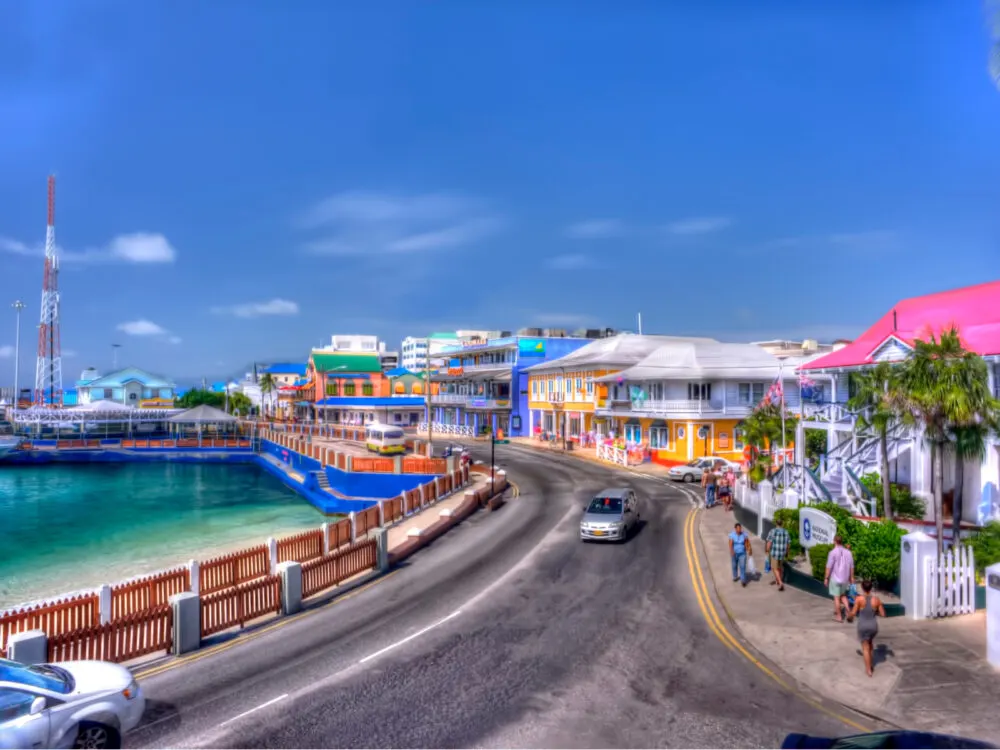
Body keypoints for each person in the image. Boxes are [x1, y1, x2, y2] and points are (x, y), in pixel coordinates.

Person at [850, 580, 886, 677]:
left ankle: (868, 669)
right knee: (870, 644)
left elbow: (853, 613)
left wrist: (850, 617)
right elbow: (883, 614)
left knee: (865, 648)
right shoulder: (877, 600)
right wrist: (874, 612)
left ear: (862, 587)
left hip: (863, 626)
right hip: (873, 626)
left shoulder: (859, 599)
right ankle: (870, 664)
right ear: (871, 588)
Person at [824, 535, 855, 622]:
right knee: (843, 595)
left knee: (836, 598)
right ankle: (849, 611)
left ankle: (839, 616)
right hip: (845, 578)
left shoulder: (832, 553)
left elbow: (828, 567)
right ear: (841, 541)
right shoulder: (848, 553)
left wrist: (826, 578)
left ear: (834, 541)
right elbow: (852, 566)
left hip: (836, 578)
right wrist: (851, 577)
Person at [765, 517, 791, 591]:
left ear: (776, 523)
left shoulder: (772, 531)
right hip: (782, 553)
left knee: (774, 568)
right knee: (779, 567)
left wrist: (767, 550)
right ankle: (777, 580)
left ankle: (780, 582)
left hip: (774, 553)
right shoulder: (786, 532)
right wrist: (787, 552)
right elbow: (788, 544)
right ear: (782, 524)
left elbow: (769, 542)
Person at [729, 522, 752, 587]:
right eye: (738, 528)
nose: (739, 530)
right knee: (734, 565)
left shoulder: (744, 535)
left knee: (742, 566)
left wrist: (748, 549)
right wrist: (732, 551)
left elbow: (746, 542)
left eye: (740, 528)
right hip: (735, 553)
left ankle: (743, 580)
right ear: (735, 529)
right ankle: (735, 576)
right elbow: (730, 544)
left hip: (742, 553)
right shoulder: (732, 535)